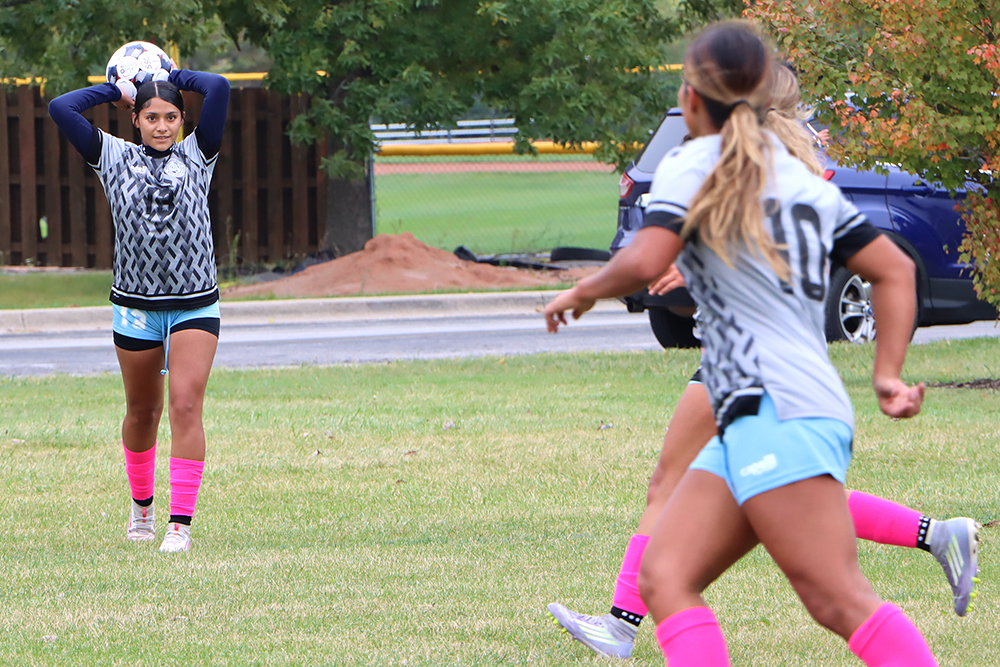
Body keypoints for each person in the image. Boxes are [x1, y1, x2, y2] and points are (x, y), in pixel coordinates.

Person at [545, 61, 979, 659]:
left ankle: (620, 626)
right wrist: (886, 374)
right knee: (669, 576)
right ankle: (623, 623)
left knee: (836, 598)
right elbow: (875, 267)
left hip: (774, 397)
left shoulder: (719, 171)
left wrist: (588, 288)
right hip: (758, 399)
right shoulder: (793, 176)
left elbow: (654, 259)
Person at [49, 65, 231, 553]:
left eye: (171, 116)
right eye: (151, 117)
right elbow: (61, 108)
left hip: (195, 303)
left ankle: (179, 526)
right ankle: (142, 510)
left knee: (185, 405)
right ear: (135, 119)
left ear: (183, 120)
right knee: (143, 411)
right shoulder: (113, 156)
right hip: (135, 305)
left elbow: (218, 87)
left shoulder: (199, 153)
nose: (162, 126)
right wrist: (117, 88)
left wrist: (175, 73)